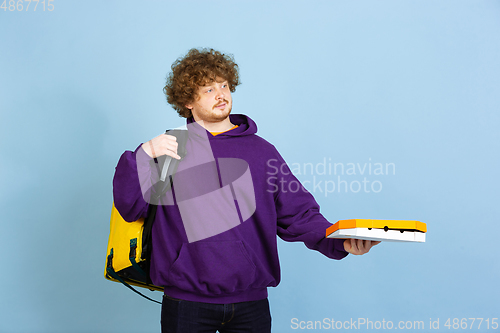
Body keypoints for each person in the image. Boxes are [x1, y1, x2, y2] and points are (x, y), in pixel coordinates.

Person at [113, 48, 380, 333]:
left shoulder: (262, 152)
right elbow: (130, 208)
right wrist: (143, 154)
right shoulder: (169, 148)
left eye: (224, 85)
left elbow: (299, 214)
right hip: (185, 301)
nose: (221, 94)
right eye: (208, 89)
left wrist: (338, 240)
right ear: (188, 101)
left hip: (250, 304)